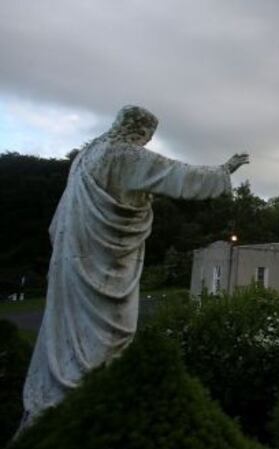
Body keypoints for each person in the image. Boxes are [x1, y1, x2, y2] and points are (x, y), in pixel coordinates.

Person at [17, 105, 249, 432]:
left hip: (72, 255)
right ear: (139, 131)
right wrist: (225, 170)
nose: (145, 142)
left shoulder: (88, 155)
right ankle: (87, 399)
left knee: (66, 327)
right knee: (107, 336)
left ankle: (59, 394)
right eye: (146, 136)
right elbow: (175, 175)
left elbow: (58, 222)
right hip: (102, 265)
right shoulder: (124, 156)